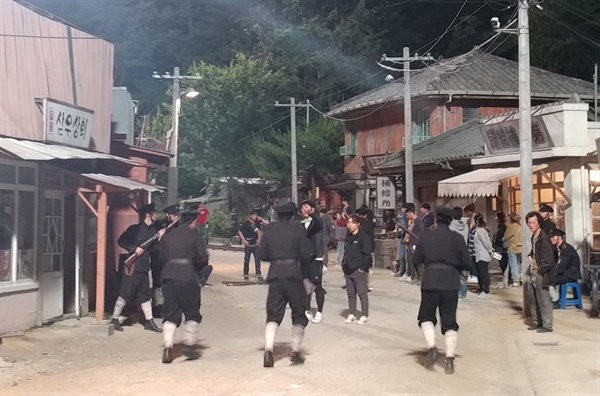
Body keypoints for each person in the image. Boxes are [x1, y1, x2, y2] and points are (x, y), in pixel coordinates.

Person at [412, 207, 472, 375]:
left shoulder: (426, 236)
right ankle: (450, 358)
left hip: (430, 280)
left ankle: (432, 347)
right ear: (451, 220)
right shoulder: (457, 238)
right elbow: (467, 263)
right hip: (450, 282)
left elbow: (416, 259)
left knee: (425, 317)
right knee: (449, 321)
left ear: (436, 219)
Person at [259, 201, 316, 367]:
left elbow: (263, 255)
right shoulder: (298, 230)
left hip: (275, 275)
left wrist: (277, 257)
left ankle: (268, 349)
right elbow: (307, 254)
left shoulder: (269, 231)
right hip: (294, 274)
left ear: (277, 215)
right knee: (298, 314)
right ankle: (296, 352)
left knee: (273, 314)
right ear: (292, 215)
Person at [157, 210, 208, 363]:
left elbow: (160, 259)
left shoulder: (167, 236)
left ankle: (167, 347)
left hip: (169, 278)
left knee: (170, 313)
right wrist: (196, 269)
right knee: (192, 313)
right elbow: (202, 260)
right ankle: (189, 345)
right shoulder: (195, 237)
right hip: (188, 278)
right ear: (193, 221)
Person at [110, 202, 164, 333]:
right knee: (125, 293)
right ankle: (115, 319)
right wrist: (135, 248)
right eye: (154, 213)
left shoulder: (153, 231)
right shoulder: (134, 229)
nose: (156, 215)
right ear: (148, 215)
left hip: (144, 267)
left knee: (145, 295)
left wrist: (160, 238)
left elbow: (155, 250)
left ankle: (149, 321)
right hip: (133, 266)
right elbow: (121, 241)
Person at [525, 211, 556, 333]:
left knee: (543, 300)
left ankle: (547, 325)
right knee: (532, 299)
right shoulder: (534, 237)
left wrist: (540, 271)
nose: (531, 225)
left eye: (533, 222)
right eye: (529, 223)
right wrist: (529, 255)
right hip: (533, 272)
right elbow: (535, 252)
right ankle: (537, 322)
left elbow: (548, 260)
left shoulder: (543, 238)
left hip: (541, 273)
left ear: (539, 223)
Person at [298, 200, 325, 323]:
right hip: (304, 259)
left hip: (316, 258)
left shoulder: (317, 221)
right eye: (302, 207)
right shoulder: (300, 223)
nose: (304, 209)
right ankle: (307, 310)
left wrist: (313, 214)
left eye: (307, 207)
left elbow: (319, 223)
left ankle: (319, 312)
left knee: (317, 286)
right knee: (305, 285)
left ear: (313, 209)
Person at [341, 214, 371, 325]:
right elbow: (346, 251)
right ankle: (352, 314)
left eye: (353, 223)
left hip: (358, 270)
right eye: (348, 223)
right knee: (350, 294)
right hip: (348, 269)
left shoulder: (363, 237)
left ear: (358, 224)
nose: (350, 225)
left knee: (362, 293)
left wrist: (362, 268)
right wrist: (343, 264)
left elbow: (367, 254)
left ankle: (364, 315)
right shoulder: (348, 236)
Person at [549, 228, 582, 307]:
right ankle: (554, 299)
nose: (551, 239)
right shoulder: (560, 248)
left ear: (560, 237)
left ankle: (556, 301)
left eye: (553, 237)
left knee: (548, 281)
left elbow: (562, 266)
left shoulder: (566, 249)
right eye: (551, 237)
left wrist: (552, 274)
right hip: (565, 273)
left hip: (571, 274)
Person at [237, 210, 264, 282]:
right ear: (251, 216)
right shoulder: (246, 223)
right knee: (247, 259)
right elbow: (240, 231)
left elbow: (259, 232)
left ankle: (258, 273)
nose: (255, 217)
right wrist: (244, 240)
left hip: (255, 243)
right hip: (248, 243)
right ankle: (246, 273)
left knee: (257, 258)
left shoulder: (257, 223)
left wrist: (259, 239)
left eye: (256, 215)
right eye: (254, 215)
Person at [449, 207, 468, 300]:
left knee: (455, 274)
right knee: (463, 274)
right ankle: (464, 294)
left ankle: (458, 294)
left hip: (454, 252)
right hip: (464, 251)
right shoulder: (465, 226)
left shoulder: (451, 226)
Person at [473, 215, 493, 299]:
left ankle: (486, 290)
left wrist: (490, 250)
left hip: (483, 255)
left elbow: (486, 242)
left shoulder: (480, 231)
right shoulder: (481, 230)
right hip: (481, 255)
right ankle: (483, 288)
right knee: (483, 273)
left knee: (484, 273)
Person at [356, 207, 375, 290]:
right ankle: (369, 285)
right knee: (369, 267)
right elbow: (371, 237)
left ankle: (357, 284)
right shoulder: (369, 224)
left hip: (357, 247)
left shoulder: (355, 224)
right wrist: (372, 248)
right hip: (368, 248)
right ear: (365, 215)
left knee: (357, 266)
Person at [405, 204, 425, 284]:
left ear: (410, 212)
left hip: (416, 244)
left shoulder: (419, 221)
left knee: (418, 262)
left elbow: (422, 232)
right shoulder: (414, 222)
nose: (407, 217)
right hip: (411, 243)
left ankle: (422, 279)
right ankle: (416, 277)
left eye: (407, 215)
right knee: (413, 261)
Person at [503, 212, 523, 287]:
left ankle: (516, 281)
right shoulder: (521, 226)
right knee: (521, 264)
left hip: (512, 247)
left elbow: (505, 237)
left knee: (513, 264)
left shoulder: (511, 226)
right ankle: (522, 278)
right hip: (521, 247)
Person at [493, 212, 509, 288]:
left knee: (503, 263)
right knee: (502, 262)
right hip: (499, 248)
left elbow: (499, 238)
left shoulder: (502, 227)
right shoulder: (500, 226)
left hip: (501, 248)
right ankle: (505, 276)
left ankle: (507, 277)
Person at [394, 203, 410, 279]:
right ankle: (401, 271)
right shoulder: (404, 217)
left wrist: (401, 227)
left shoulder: (407, 218)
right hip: (402, 237)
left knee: (405, 257)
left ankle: (405, 272)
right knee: (402, 256)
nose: (402, 210)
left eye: (403, 208)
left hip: (406, 238)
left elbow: (407, 228)